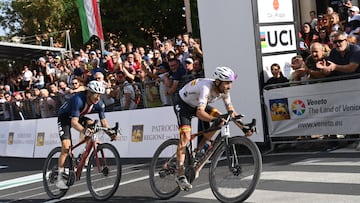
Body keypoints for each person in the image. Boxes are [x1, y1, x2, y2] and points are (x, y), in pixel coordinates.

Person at [172, 66, 253, 191]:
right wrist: (213, 120)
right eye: (227, 83)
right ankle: (180, 173)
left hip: (196, 103)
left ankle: (200, 149)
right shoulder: (206, 88)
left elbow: (231, 112)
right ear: (218, 82)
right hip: (183, 104)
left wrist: (244, 128)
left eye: (230, 82)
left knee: (222, 118)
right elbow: (200, 113)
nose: (229, 86)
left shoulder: (224, 92)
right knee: (186, 136)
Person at [55, 80, 119, 189]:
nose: (98, 98)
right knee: (66, 146)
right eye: (96, 94)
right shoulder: (78, 100)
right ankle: (59, 176)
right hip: (65, 118)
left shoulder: (99, 103)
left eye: (100, 95)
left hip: (78, 116)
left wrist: (110, 133)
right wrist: (85, 131)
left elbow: (103, 122)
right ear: (89, 93)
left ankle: (83, 156)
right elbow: (74, 123)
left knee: (91, 126)